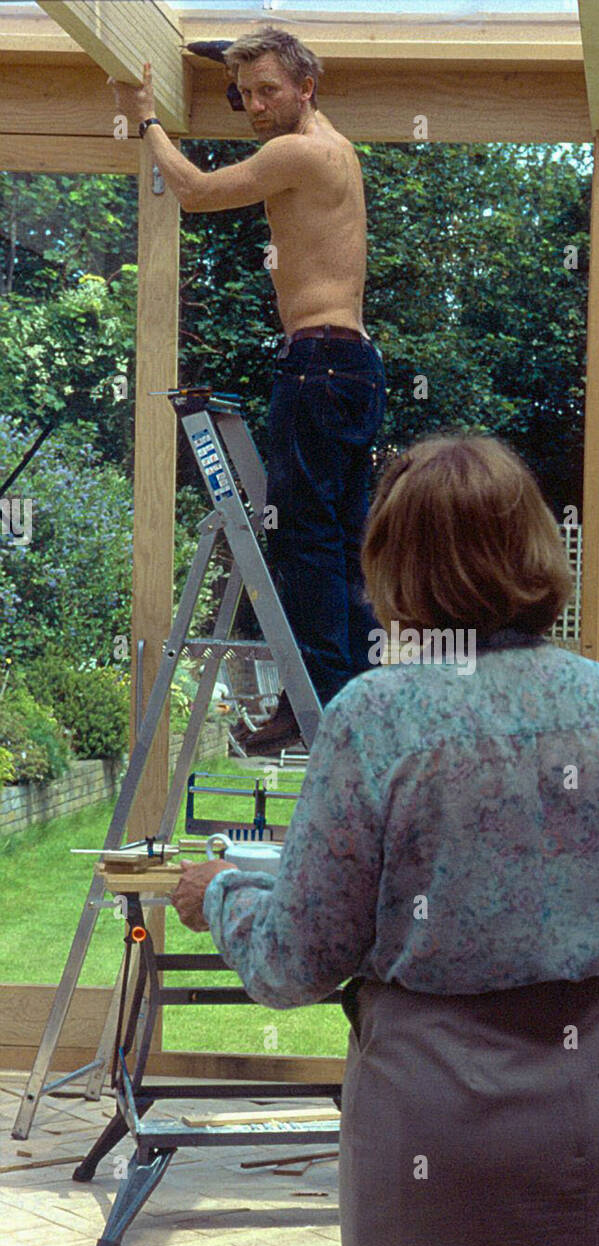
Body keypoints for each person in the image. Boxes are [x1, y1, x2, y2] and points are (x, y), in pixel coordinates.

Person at [171, 431, 599, 1246]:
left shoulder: (375, 718)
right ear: (536, 549)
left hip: (440, 1121)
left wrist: (226, 897)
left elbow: (299, 958)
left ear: (393, 566)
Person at [111, 27, 386, 753]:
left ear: (307, 88)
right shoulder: (334, 145)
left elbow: (196, 192)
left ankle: (313, 702)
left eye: (270, 91)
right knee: (341, 541)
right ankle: (353, 696)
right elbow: (265, 71)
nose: (255, 106)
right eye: (244, 94)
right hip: (349, 367)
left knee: (305, 543)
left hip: (318, 365)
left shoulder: (296, 151)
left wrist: (146, 117)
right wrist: (231, 56)